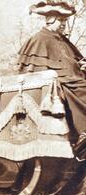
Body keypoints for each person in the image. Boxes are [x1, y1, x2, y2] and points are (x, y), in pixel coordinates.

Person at [17, 0, 86, 155]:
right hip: (57, 83)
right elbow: (34, 71)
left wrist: (82, 66)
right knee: (82, 88)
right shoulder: (39, 39)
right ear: (50, 19)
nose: (63, 24)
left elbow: (76, 61)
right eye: (61, 20)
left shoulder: (63, 40)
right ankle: (82, 131)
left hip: (74, 78)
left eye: (65, 21)